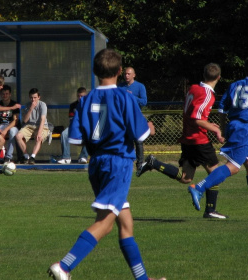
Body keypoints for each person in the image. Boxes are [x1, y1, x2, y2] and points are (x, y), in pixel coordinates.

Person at [47, 48, 164, 280]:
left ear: (94, 71)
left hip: (96, 164)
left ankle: (142, 278)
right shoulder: (125, 97)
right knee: (105, 223)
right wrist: (149, 128)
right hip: (118, 163)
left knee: (126, 223)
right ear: (120, 72)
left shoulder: (85, 99)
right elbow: (140, 135)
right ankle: (65, 266)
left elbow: (76, 139)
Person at [187, 56, 248, 218]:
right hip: (244, 129)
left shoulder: (234, 85)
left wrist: (223, 130)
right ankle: (199, 187)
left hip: (234, 126)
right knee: (233, 167)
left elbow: (222, 110)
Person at [137, 63, 228, 219]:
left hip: (188, 138)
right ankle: (210, 210)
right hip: (199, 140)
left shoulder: (193, 88)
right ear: (219, 77)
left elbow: (195, 115)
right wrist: (217, 129)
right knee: (216, 173)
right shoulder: (208, 95)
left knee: (186, 177)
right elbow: (197, 118)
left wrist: (209, 124)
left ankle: (154, 163)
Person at [118, 67, 148, 173]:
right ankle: (125, 163)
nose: (126, 76)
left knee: (138, 141)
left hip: (135, 117)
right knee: (124, 141)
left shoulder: (140, 86)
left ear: (134, 75)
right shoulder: (120, 86)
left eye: (129, 74)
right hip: (123, 118)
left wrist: (131, 97)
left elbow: (144, 102)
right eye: (125, 74)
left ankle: (140, 164)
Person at [16, 88, 50, 165]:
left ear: (39, 97)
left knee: (39, 137)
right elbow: (25, 120)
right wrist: (31, 108)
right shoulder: (27, 105)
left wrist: (39, 132)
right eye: (31, 97)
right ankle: (26, 156)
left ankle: (32, 157)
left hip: (41, 126)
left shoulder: (42, 105)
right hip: (29, 126)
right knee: (18, 136)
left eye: (35, 97)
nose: (33, 99)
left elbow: (43, 119)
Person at [57, 87, 89, 164]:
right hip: (74, 127)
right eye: (78, 96)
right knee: (64, 134)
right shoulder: (73, 105)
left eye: (82, 96)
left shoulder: (89, 105)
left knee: (89, 134)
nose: (80, 98)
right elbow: (71, 119)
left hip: (85, 127)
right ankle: (66, 157)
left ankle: (83, 157)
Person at [0, 84, 20, 163]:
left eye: (7, 94)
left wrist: (5, 130)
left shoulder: (14, 104)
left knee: (13, 131)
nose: (5, 95)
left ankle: (8, 157)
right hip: (0, 125)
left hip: (11, 126)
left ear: (10, 94)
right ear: (0, 94)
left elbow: (15, 121)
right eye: (3, 94)